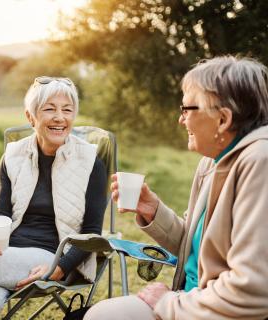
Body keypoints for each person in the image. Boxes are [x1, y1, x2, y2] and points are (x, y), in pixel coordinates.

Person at [85, 56, 268, 319]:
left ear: (222, 119)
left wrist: (168, 304)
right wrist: (154, 212)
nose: (181, 120)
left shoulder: (259, 162)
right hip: (195, 301)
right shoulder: (212, 162)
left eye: (187, 109)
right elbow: (197, 246)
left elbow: (252, 291)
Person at [0, 76, 108, 320]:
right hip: (8, 253)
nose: (60, 118)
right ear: (30, 116)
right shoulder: (13, 156)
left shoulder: (90, 162)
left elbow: (92, 232)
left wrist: (60, 267)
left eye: (67, 110)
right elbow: (0, 213)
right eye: (49, 109)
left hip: (52, 255)